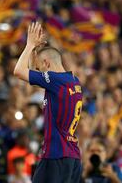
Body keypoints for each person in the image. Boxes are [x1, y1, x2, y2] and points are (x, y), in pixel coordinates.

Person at [13, 22, 83, 182]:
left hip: (56, 154)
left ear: (47, 64)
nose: (39, 72)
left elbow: (19, 71)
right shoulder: (74, 81)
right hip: (71, 157)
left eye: (40, 67)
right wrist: (34, 53)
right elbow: (32, 72)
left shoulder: (54, 80)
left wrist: (29, 45)